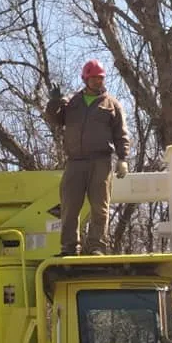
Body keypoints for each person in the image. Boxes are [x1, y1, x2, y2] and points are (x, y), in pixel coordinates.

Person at [45, 59, 131, 255]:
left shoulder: (112, 105)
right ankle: (69, 247)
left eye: (100, 78)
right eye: (93, 78)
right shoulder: (72, 102)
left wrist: (123, 158)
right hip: (75, 161)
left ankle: (97, 246)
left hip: (100, 161)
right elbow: (54, 119)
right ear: (85, 78)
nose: (97, 81)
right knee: (69, 206)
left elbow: (121, 133)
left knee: (100, 206)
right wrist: (54, 101)